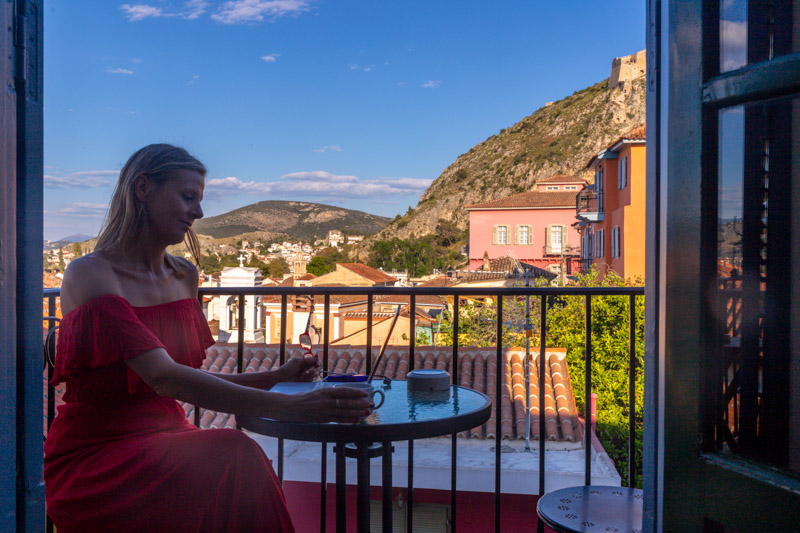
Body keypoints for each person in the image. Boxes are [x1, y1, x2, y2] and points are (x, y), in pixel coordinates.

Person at [44, 144, 372, 532]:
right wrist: (297, 408)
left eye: (198, 200)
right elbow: (164, 377)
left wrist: (275, 376)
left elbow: (179, 377)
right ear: (143, 188)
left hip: (165, 438)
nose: (198, 213)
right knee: (235, 452)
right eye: (187, 197)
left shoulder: (184, 276)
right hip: (99, 454)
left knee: (236, 462)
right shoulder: (90, 274)